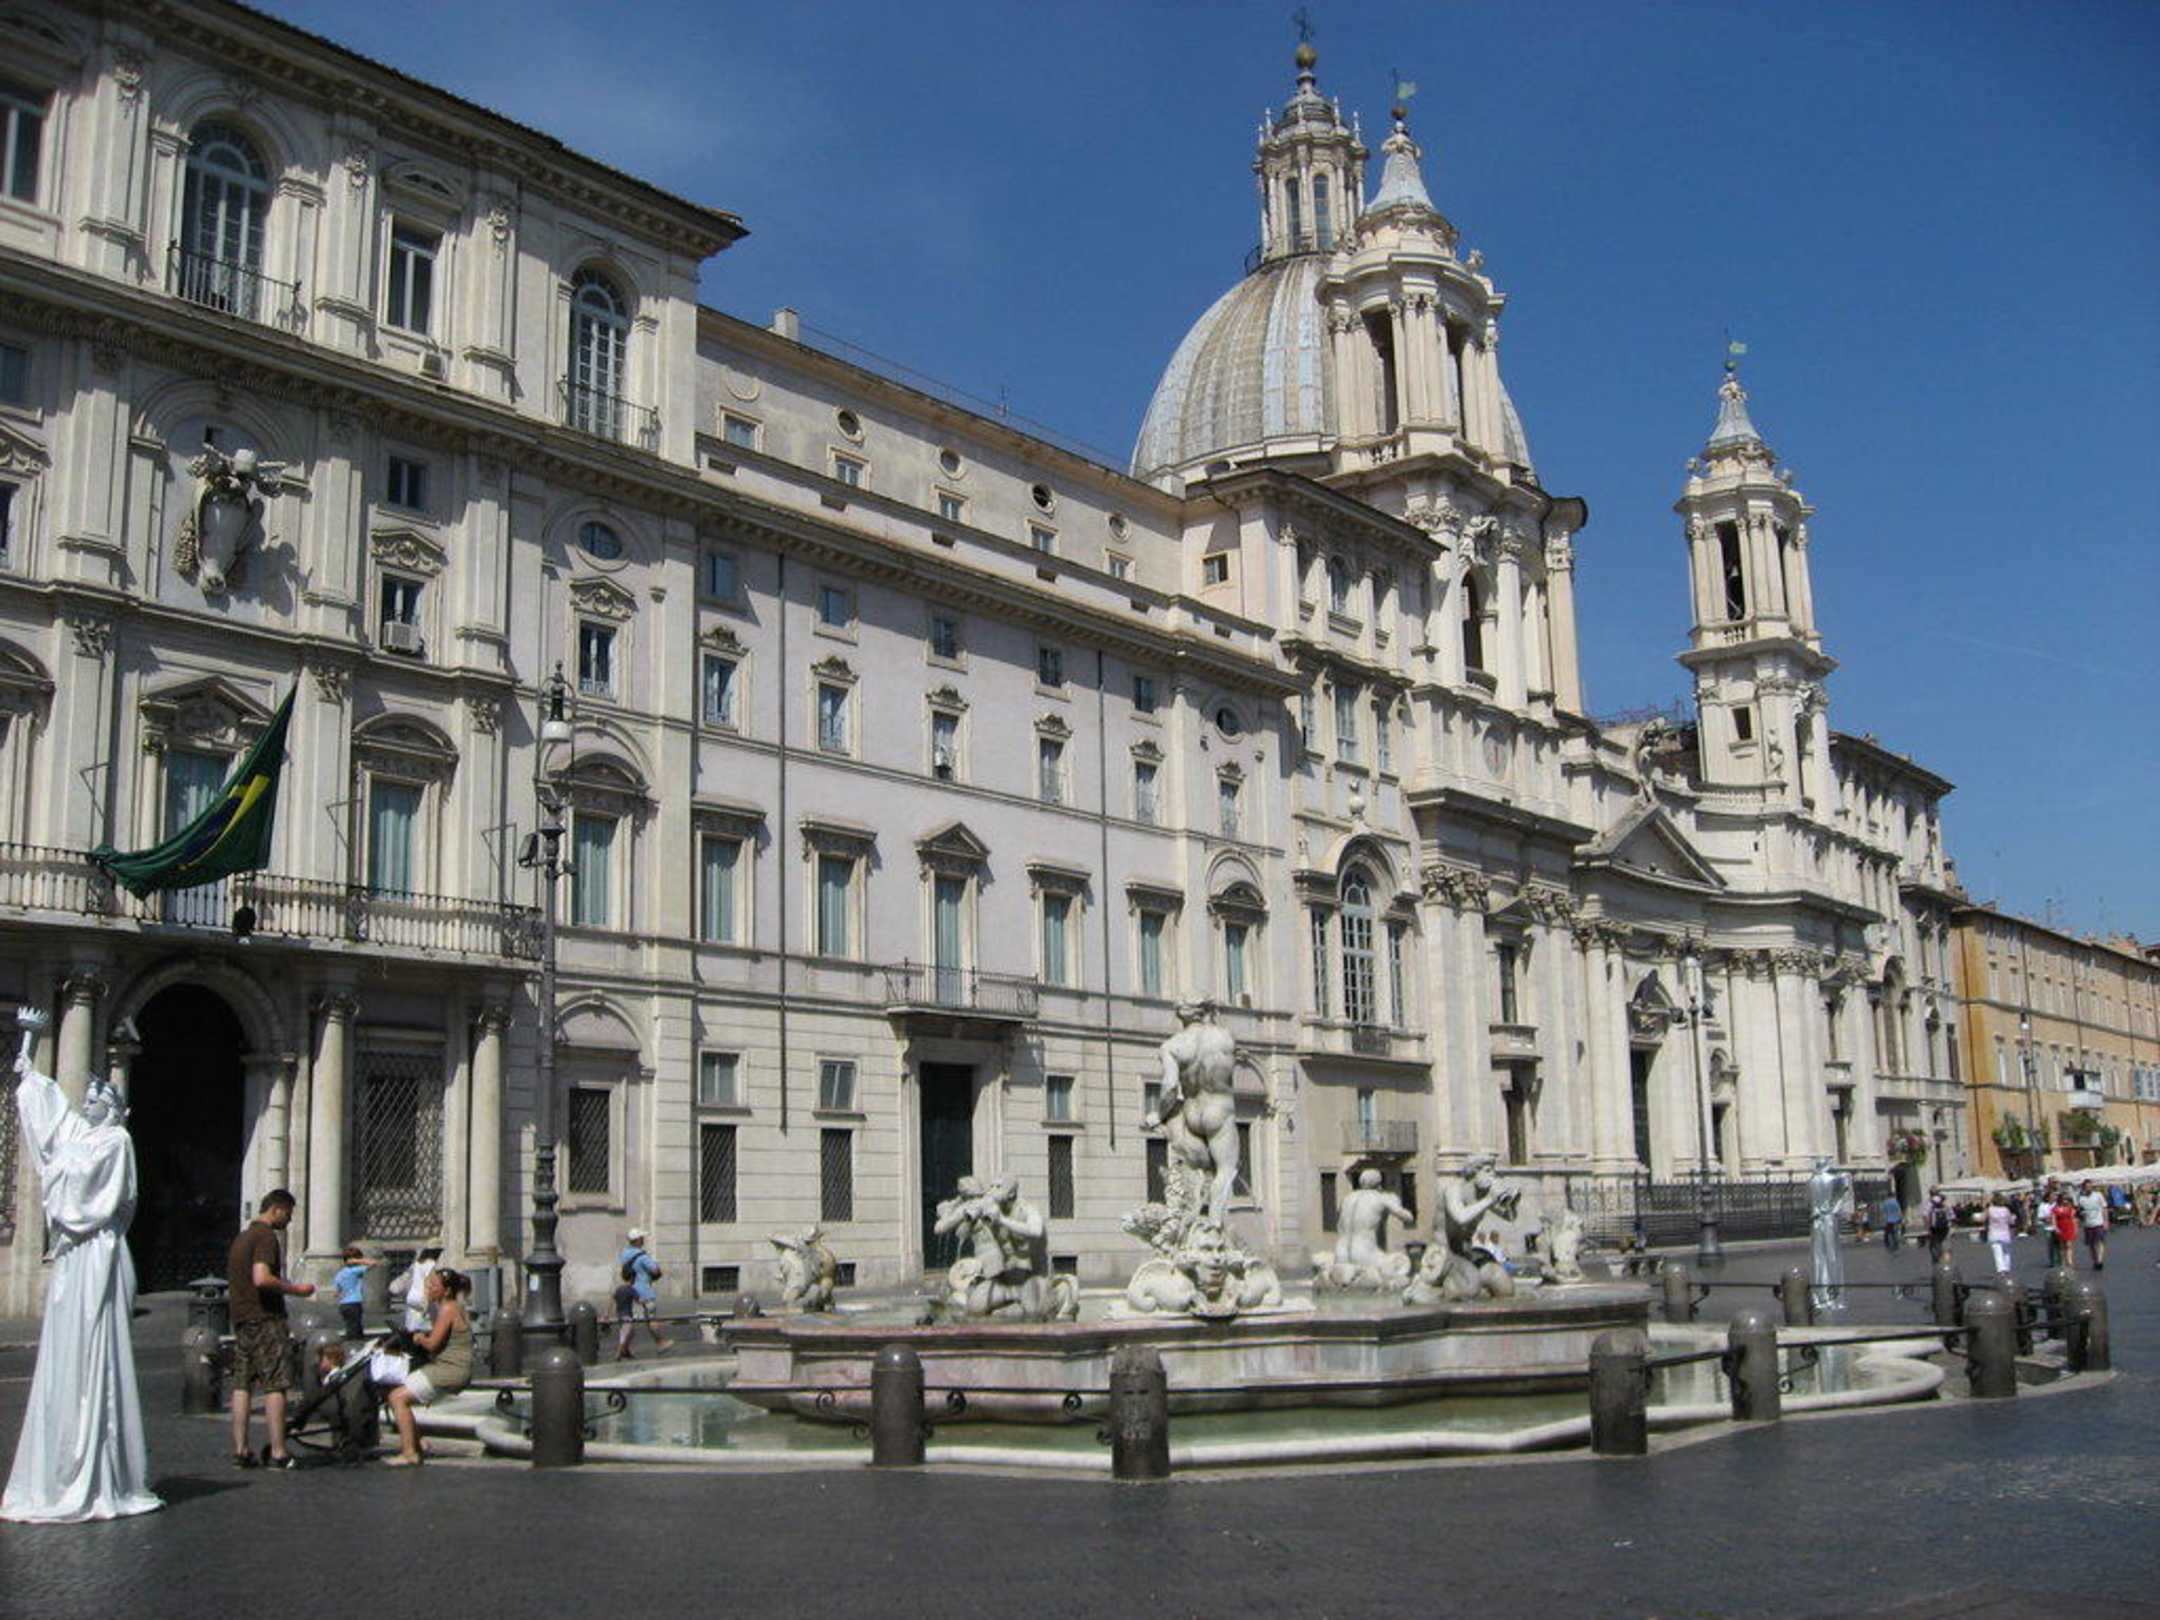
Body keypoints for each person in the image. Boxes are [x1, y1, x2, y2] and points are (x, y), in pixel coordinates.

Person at [2, 1023, 162, 1523]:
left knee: (94, 1346)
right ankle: (60, 1468)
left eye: (94, 1100)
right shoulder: (84, 1136)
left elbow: (92, 1197)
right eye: (86, 1099)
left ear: (110, 1109)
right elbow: (49, 1118)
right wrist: (29, 1052)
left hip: (95, 1251)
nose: (86, 1105)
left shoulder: (114, 1141)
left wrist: (59, 1190)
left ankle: (97, 1468)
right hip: (74, 1256)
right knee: (66, 1349)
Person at [227, 1188, 315, 1470]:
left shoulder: (242, 1237)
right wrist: (297, 1289)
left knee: (242, 1385)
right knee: (276, 1383)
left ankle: (241, 1450)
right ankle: (278, 1452)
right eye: (288, 1214)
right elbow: (262, 1278)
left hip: (242, 1318)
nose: (289, 1220)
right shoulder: (265, 1237)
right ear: (276, 1209)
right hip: (265, 1317)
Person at [1149, 999, 1240, 1223]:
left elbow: (1170, 1087)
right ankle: (1214, 1224)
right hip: (1219, 1111)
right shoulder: (1225, 1037)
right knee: (1226, 1169)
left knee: (1200, 1168)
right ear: (1206, 1011)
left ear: (1181, 1015)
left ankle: (1194, 1214)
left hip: (1192, 1113)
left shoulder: (1172, 1046)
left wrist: (1159, 1115)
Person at [384, 1267, 473, 1467]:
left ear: (446, 1291)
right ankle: (417, 1444)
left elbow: (432, 1344)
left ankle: (409, 1453)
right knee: (396, 1391)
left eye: (433, 1286)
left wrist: (418, 1338)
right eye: (428, 1285)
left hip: (450, 1370)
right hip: (450, 1367)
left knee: (397, 1397)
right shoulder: (452, 1307)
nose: (428, 1289)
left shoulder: (448, 1309)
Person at [614, 1228, 668, 1359]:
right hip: (644, 1291)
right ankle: (660, 1342)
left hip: (630, 1290)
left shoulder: (624, 1254)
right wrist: (654, 1268)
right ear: (638, 1240)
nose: (643, 1240)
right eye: (641, 1238)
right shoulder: (642, 1256)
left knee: (629, 1321)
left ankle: (624, 1348)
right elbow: (655, 1270)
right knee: (651, 1318)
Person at [389, 1243, 442, 1333]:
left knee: (413, 1322)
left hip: (412, 1299)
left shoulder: (416, 1264)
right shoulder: (430, 1264)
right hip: (423, 1299)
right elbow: (427, 1283)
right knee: (428, 1325)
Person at [331, 1245, 374, 1339]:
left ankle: (354, 1340)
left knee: (351, 1327)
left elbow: (336, 1292)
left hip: (343, 1304)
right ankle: (353, 1343)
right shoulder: (354, 1270)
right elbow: (373, 1263)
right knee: (355, 1331)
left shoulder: (339, 1273)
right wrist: (357, 1261)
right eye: (359, 1258)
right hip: (354, 1303)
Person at [2076, 1180, 2109, 1271]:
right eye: (2086, 1187)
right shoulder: (2081, 1198)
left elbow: (2104, 1208)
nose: (2088, 1188)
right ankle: (2095, 1260)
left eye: (2090, 1186)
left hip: (2099, 1222)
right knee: (2091, 1244)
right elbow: (2078, 1210)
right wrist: (2080, 1215)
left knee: (2100, 1242)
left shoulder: (2098, 1195)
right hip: (2087, 1224)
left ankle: (2100, 1260)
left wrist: (2106, 1221)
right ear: (2083, 1188)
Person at [1984, 1193, 2014, 1278]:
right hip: (2005, 1234)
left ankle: (2001, 1270)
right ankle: (2007, 1268)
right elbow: (2011, 1221)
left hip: (1994, 1234)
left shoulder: (1990, 1209)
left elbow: (1983, 1218)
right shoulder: (2006, 1210)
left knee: (1997, 1253)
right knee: (2006, 1252)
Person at [2050, 1191, 2079, 1271]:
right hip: (2061, 1228)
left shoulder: (2070, 1209)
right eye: (2063, 1199)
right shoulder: (2055, 1209)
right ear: (2060, 1199)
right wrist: (2055, 1228)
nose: (2065, 1201)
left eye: (2066, 1199)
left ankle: (2070, 1262)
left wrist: (2076, 1229)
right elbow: (2053, 1219)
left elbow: (2074, 1219)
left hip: (2069, 1227)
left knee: (2069, 1245)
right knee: (2061, 1246)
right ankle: (2063, 1262)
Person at [1925, 1192, 1952, 1263]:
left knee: (1935, 1244)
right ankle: (1946, 1262)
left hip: (1934, 1228)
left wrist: (1928, 1227)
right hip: (1945, 1228)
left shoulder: (1930, 1206)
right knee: (1946, 1245)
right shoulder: (1947, 1207)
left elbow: (1926, 1216)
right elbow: (1952, 1217)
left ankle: (1936, 1258)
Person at [1879, 1189, 1904, 1254]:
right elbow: (1899, 1211)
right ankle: (1896, 1245)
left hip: (1888, 1220)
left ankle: (1888, 1245)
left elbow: (1883, 1212)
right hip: (1896, 1220)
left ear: (1888, 1196)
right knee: (1895, 1232)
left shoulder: (1885, 1202)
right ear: (1893, 1195)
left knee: (1888, 1233)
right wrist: (1901, 1219)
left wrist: (1883, 1220)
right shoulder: (1895, 1202)